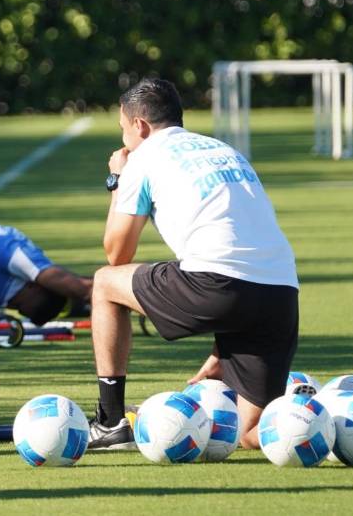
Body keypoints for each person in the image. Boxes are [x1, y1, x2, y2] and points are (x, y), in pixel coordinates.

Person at [86, 78, 300, 450]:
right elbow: (244, 252)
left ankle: (109, 422)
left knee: (105, 282)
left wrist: (117, 179)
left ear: (140, 126)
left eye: (124, 129)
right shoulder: (224, 149)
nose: (124, 141)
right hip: (280, 295)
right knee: (250, 434)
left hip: (216, 285)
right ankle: (334, 424)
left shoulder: (144, 156)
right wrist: (224, 350)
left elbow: (116, 254)